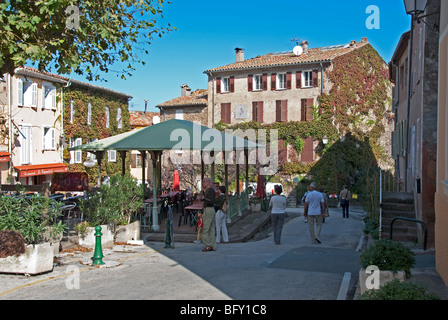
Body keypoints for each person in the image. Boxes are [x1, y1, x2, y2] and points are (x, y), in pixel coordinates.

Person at [200, 177, 217, 252]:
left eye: (204, 182)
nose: (203, 183)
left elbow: (212, 201)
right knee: (211, 229)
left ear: (208, 182)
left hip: (208, 209)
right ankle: (213, 245)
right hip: (210, 209)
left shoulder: (210, 191)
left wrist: (204, 198)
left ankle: (208, 245)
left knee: (204, 229)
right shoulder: (208, 190)